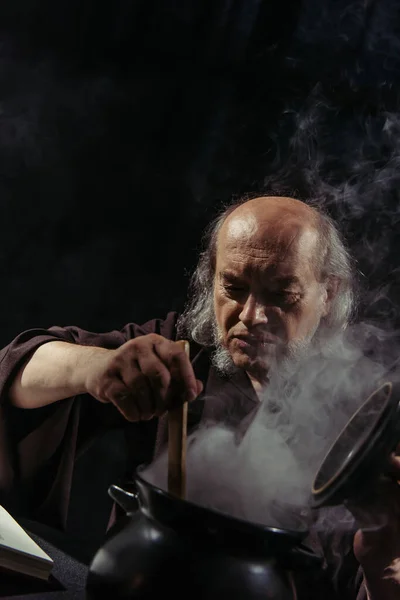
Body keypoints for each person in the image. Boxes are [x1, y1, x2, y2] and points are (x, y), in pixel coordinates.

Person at [0, 195, 399, 599]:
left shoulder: (366, 422)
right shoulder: (181, 358)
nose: (250, 315)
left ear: (329, 294)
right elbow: (17, 369)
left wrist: (383, 560)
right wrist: (95, 367)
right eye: (233, 287)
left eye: (281, 294)